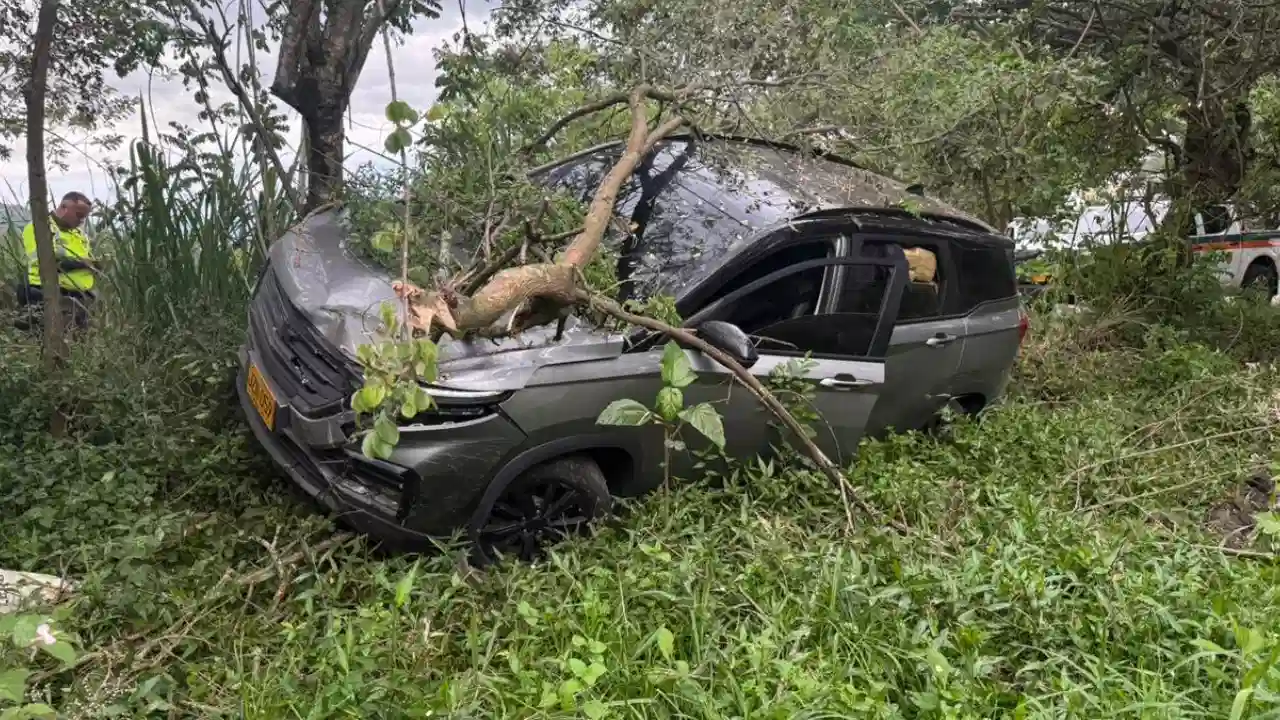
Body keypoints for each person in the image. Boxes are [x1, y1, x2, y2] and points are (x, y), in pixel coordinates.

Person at [18, 191, 98, 329]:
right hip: (47, 293)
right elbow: (45, 263)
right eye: (79, 215)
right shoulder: (39, 227)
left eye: (84, 217)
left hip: (79, 298)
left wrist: (95, 265)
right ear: (64, 207)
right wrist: (83, 264)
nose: (81, 221)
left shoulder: (79, 234)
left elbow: (86, 259)